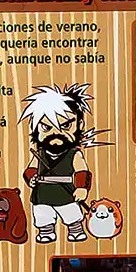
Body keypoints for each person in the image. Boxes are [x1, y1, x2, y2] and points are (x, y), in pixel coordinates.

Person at [20, 83, 99, 243]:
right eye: (46, 127)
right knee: (43, 214)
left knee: (71, 212)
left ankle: (75, 229)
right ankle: (46, 231)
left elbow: (82, 171)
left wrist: (82, 188)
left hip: (66, 192)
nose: (56, 132)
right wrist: (31, 178)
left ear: (79, 125)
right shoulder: (40, 154)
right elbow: (30, 169)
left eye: (66, 125)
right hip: (43, 193)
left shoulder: (74, 154)